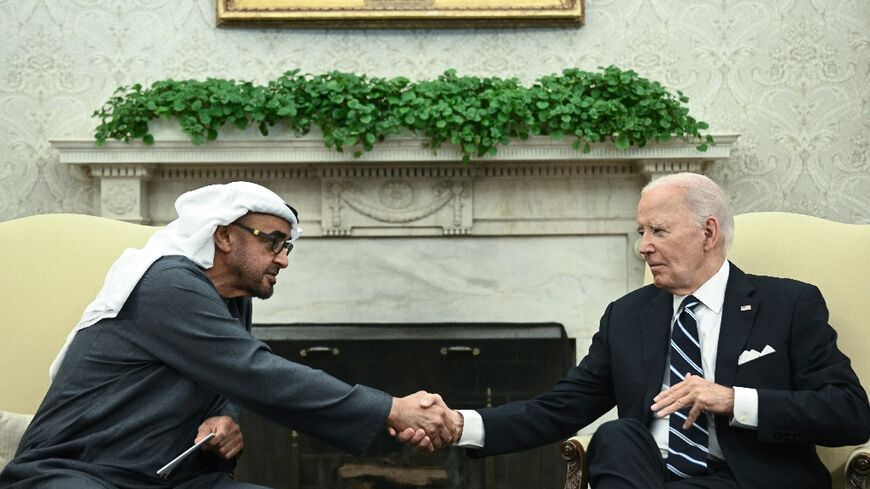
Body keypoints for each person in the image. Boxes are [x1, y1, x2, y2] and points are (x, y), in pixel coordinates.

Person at [396, 172, 870, 488]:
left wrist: (733, 399)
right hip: (646, 477)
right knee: (619, 435)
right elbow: (559, 408)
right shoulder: (628, 316)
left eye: (658, 231)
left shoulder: (787, 304)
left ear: (708, 233)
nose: (643, 247)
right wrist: (460, 424)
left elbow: (849, 413)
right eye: (641, 232)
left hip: (741, 478)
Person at [0, 182, 455, 489]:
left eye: (287, 246)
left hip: (171, 478)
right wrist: (391, 409)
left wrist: (225, 415)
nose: (283, 260)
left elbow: (229, 375)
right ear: (223, 237)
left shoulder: (233, 296)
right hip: (79, 473)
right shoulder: (166, 283)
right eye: (272, 242)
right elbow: (256, 372)